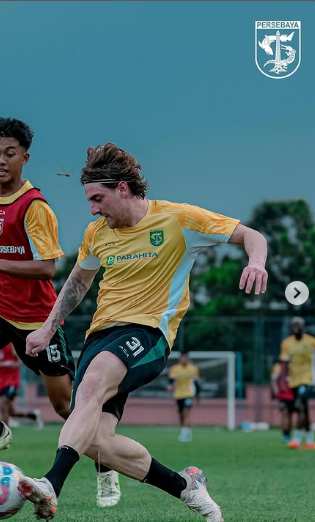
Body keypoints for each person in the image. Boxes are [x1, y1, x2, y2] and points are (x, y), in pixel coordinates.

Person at [18, 143, 268, 521]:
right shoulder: (96, 233)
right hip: (99, 337)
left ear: (123, 188)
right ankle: (187, 487)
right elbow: (78, 282)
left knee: (91, 387)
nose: (93, 209)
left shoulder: (179, 218)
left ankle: (52, 485)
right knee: (95, 441)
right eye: (89, 201)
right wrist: (48, 326)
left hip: (149, 333)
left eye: (97, 198)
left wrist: (257, 262)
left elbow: (252, 235)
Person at [0, 117, 120, 508]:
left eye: (9, 154)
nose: (0, 161)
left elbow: (46, 267)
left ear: (25, 157)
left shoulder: (35, 207)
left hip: (38, 320)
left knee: (65, 408)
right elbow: (2, 254)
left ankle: (106, 464)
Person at [0, 343, 43, 429]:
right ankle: (34, 416)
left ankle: (4, 431)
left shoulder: (11, 344)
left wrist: (17, 364)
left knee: (3, 405)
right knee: (11, 412)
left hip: (12, 380)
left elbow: (24, 356)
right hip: (0, 382)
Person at [280, 317, 315, 450]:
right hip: (293, 380)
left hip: (308, 378)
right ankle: (310, 440)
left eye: (298, 325)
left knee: (300, 405)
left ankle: (296, 439)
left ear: (303, 326)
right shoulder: (286, 343)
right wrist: (283, 380)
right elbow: (285, 363)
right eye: (293, 325)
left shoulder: (311, 341)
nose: (295, 327)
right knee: (304, 410)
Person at [168, 352, 200, 442]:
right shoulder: (175, 369)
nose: (184, 359)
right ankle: (185, 430)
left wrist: (197, 396)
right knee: (181, 415)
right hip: (178, 394)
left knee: (187, 413)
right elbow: (171, 380)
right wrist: (170, 386)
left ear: (188, 359)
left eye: (186, 358)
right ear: (180, 359)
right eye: (183, 358)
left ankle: (185, 434)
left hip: (189, 394)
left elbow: (197, 384)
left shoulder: (193, 369)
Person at [270, 357, 294, 442]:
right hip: (283, 395)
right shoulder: (278, 367)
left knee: (290, 415)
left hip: (293, 395)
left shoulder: (294, 366)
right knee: (284, 414)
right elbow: (273, 379)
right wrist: (276, 391)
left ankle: (289, 433)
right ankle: (285, 434)